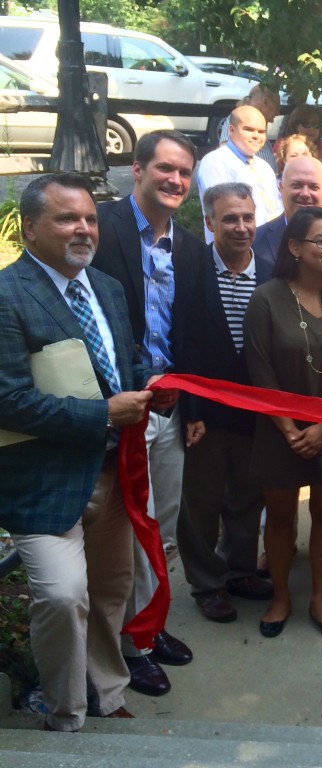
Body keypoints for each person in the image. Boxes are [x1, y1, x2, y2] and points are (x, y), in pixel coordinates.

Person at [0, 173, 173, 730]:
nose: (83, 229)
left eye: (91, 219)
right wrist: (102, 414)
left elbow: (122, 366)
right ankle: (65, 710)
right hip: (45, 481)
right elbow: (7, 401)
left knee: (109, 591)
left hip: (114, 472)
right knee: (61, 595)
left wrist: (158, 384)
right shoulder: (7, 296)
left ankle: (107, 686)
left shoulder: (108, 288)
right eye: (67, 218)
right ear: (30, 227)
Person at [93, 130, 203, 697]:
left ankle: (149, 626)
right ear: (136, 168)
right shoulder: (101, 229)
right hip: (118, 411)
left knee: (162, 530)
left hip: (171, 412)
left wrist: (194, 406)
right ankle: (129, 647)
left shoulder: (188, 247)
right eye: (164, 168)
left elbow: (196, 335)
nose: (175, 181)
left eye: (184, 172)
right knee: (129, 532)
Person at [243, 207, 322, 640]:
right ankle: (280, 597)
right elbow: (259, 373)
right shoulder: (267, 298)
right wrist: (288, 428)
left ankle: (320, 600)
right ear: (295, 248)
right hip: (280, 432)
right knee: (278, 517)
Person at [176, 183, 273, 624]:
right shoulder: (190, 271)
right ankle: (207, 583)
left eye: (247, 218)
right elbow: (182, 344)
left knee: (248, 496)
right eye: (230, 218)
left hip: (255, 411)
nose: (240, 227)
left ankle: (239, 570)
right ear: (210, 222)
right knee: (202, 502)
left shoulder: (272, 275)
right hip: (206, 414)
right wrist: (191, 410)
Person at [252, 156, 322, 273]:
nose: (305, 194)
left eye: (313, 187)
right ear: (281, 188)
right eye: (296, 185)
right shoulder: (255, 242)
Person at [197, 105, 283, 242]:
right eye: (249, 129)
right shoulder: (215, 162)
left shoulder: (264, 167)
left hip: (271, 247)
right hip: (233, 248)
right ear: (231, 130)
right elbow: (224, 211)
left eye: (261, 132)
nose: (256, 136)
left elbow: (277, 208)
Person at [279, 104, 322, 204]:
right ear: (296, 125)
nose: (312, 129)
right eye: (307, 124)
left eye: (316, 126)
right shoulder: (283, 145)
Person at [218, 83, 281, 169]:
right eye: (277, 107)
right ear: (265, 102)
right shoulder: (237, 118)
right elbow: (225, 153)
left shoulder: (261, 123)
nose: (278, 113)